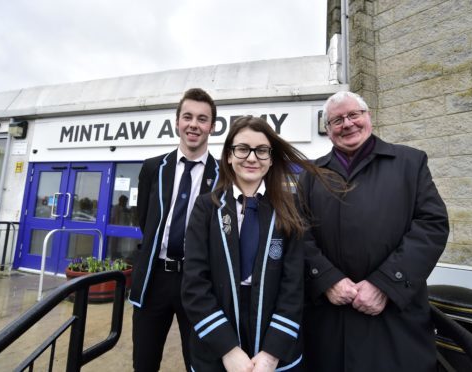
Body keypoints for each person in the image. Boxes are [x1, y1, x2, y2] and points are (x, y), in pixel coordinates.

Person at [300, 91, 449, 371]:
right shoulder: (311, 174)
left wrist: (385, 284)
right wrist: (326, 279)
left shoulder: (410, 163)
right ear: (328, 130)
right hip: (330, 323)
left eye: (354, 115)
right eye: (337, 120)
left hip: (395, 321)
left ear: (368, 117)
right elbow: (299, 232)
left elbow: (432, 225)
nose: (347, 124)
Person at [181, 116, 339, 372]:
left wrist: (271, 354)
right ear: (229, 156)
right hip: (217, 337)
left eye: (262, 150)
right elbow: (194, 284)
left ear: (271, 158)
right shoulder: (206, 208)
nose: (252, 158)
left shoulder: (290, 206)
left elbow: (294, 286)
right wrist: (228, 350)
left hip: (274, 332)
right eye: (243, 148)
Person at [129, 88, 220, 371]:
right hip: (154, 279)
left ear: (212, 127)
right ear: (177, 122)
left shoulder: (223, 176)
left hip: (197, 281)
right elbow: (144, 219)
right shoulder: (152, 168)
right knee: (144, 362)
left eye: (202, 119)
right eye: (188, 117)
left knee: (199, 362)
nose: (194, 124)